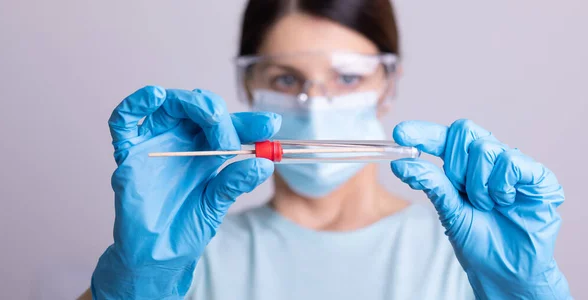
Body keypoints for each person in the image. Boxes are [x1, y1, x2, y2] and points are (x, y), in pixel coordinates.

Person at [83, 0, 572, 299]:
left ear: (388, 82)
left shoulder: (471, 253)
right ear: (249, 85)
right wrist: (133, 286)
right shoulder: (182, 251)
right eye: (286, 78)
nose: (315, 103)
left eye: (347, 77)